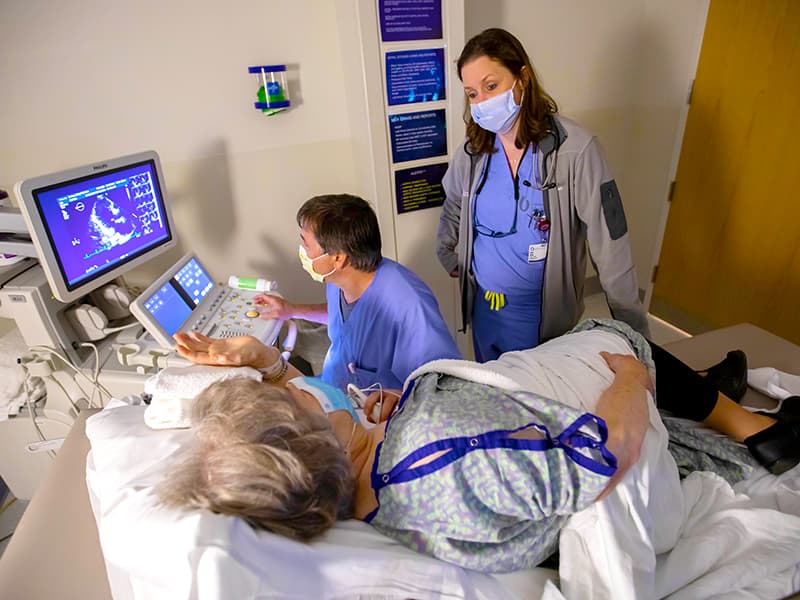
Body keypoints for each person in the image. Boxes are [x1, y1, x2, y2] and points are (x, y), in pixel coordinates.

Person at [164, 322, 800, 573]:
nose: (306, 389)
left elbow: (321, 409)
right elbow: (599, 455)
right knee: (620, 336)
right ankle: (746, 425)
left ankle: (707, 395)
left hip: (473, 416)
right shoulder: (442, 454)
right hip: (597, 415)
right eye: (296, 398)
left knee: (603, 339)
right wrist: (630, 379)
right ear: (316, 441)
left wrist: (385, 413)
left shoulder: (362, 471)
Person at [437, 28, 649, 362]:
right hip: (485, 307)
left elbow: (611, 246)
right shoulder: (473, 152)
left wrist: (635, 336)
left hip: (542, 316)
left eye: (491, 86)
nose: (482, 102)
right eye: (472, 93)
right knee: (493, 389)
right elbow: (453, 206)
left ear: (523, 77)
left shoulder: (575, 151)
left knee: (538, 399)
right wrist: (451, 257)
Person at [256, 193, 460, 391]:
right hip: (338, 391)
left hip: (379, 414)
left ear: (337, 258)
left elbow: (439, 383)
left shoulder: (408, 305)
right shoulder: (339, 279)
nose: (302, 251)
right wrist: (290, 310)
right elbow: (345, 318)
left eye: (306, 244)